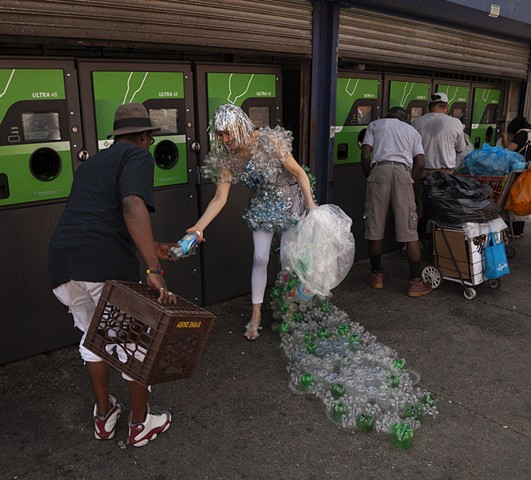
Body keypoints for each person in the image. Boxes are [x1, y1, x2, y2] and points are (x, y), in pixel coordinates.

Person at [49, 103, 175, 447]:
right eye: (149, 139)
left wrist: (155, 246)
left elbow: (99, 220)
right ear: (146, 137)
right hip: (101, 267)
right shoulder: (138, 157)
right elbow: (132, 205)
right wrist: (153, 269)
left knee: (93, 338)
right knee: (131, 344)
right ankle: (140, 424)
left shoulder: (91, 164)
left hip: (64, 264)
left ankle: (103, 417)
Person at [187, 104, 317, 340]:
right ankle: (255, 316)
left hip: (290, 201)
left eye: (228, 133)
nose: (225, 139)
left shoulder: (269, 141)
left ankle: (288, 310)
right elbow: (219, 198)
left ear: (240, 127)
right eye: (221, 135)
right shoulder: (227, 158)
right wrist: (198, 228)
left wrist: (311, 205)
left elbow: (299, 173)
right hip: (262, 206)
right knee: (260, 257)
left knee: (288, 260)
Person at [361, 106, 432, 298]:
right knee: (410, 231)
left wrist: (371, 176)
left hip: (379, 172)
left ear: (387, 116)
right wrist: (410, 180)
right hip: (403, 173)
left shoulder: (375, 125)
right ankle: (416, 282)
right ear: (404, 119)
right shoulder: (412, 131)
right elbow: (421, 163)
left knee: (374, 227)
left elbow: (365, 154)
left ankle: (376, 276)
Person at [412, 92, 466, 237]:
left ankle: (413, 242)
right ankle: (440, 245)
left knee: (418, 208)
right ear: (446, 106)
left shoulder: (416, 122)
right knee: (443, 209)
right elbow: (461, 149)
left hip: (420, 172)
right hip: (445, 175)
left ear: (429, 106)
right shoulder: (455, 123)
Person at [502, 115, 531, 238]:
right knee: (523, 198)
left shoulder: (522, 134)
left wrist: (505, 138)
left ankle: (512, 229)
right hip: (528, 171)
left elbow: (508, 151)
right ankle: (519, 230)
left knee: (514, 197)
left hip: (520, 172)